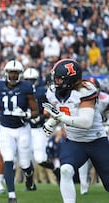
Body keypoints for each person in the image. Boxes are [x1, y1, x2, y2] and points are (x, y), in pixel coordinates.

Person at [42, 59, 109, 203]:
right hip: (74, 141)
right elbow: (63, 111)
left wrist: (59, 117)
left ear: (69, 80)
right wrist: (51, 122)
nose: (55, 81)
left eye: (59, 79)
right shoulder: (53, 93)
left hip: (96, 140)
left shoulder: (85, 90)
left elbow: (86, 122)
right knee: (65, 170)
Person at [0, 60, 39, 203]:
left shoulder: (26, 87)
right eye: (12, 72)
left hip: (22, 129)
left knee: (24, 164)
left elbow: (36, 111)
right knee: (8, 159)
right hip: (5, 129)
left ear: (20, 74)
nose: (14, 75)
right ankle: (12, 196)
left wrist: (26, 115)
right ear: (6, 73)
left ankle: (29, 178)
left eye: (16, 73)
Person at [23, 68, 60, 183]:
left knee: (40, 159)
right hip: (24, 128)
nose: (30, 82)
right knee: (25, 160)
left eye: (32, 80)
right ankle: (30, 183)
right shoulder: (19, 91)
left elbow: (50, 108)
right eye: (27, 80)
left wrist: (42, 117)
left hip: (39, 128)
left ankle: (56, 170)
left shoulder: (42, 92)